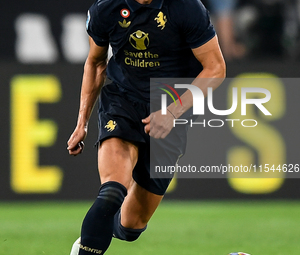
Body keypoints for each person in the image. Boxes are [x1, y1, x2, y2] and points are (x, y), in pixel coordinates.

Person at [67, 0, 226, 254]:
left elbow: (215, 68)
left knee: (131, 226)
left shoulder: (186, 8)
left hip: (171, 105)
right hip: (123, 101)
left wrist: (173, 111)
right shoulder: (106, 7)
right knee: (111, 192)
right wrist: (81, 123)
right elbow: (96, 63)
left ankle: (105, 227)